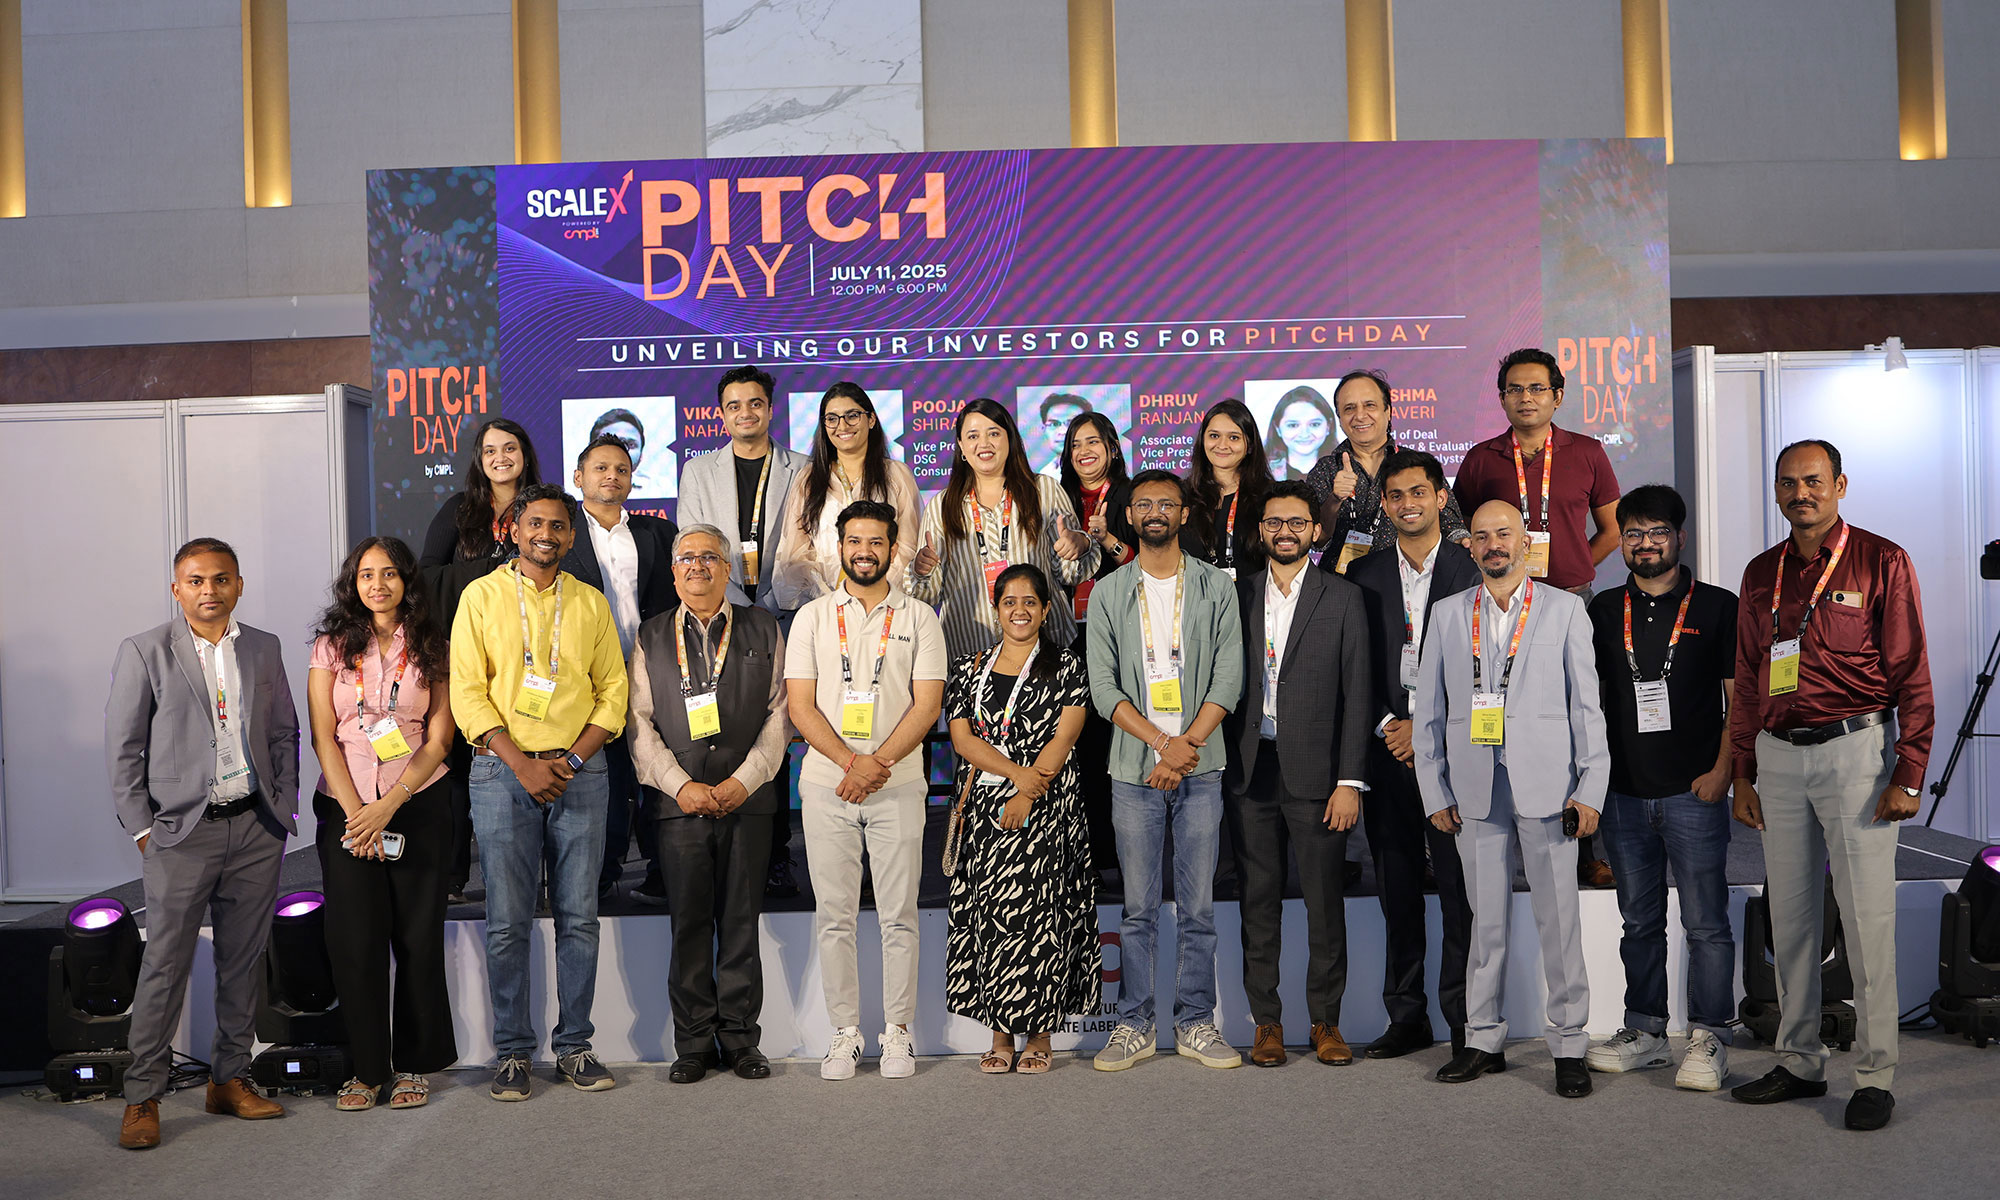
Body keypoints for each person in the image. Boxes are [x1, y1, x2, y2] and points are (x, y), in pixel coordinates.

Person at [1727, 440, 1932, 1132]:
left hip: (1858, 756)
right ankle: (1799, 1059)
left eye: (1813, 481)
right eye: (1788, 483)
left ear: (1840, 485)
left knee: (1868, 921)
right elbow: (1751, 680)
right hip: (1779, 758)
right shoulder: (1762, 573)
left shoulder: (1883, 560)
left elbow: (1912, 674)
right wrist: (1742, 771)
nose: (1800, 493)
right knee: (1791, 920)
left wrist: (1909, 770)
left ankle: (1875, 1074)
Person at [106, 538, 300, 1149]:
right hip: (179, 834)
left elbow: (285, 733)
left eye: (220, 579)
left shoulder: (264, 647)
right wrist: (143, 829)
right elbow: (122, 749)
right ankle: (142, 1097)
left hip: (254, 829)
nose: (208, 591)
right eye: (195, 581)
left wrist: (282, 804)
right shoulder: (144, 651)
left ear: (238, 585)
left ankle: (228, 1080)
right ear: (176, 589)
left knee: (243, 962)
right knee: (164, 964)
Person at [1414, 501, 1607, 1099]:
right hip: (1473, 789)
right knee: (1484, 920)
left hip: (1549, 788)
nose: (1494, 544)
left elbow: (1587, 709)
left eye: (1504, 534)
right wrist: (1433, 789)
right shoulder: (1447, 614)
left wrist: (1590, 788)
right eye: (1482, 536)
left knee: (1560, 921)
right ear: (1468, 546)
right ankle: (1482, 1039)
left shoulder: (1566, 609)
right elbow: (1428, 712)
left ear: (1526, 542)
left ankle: (1569, 1044)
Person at [450, 484, 629, 1101]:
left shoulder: (590, 602)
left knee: (579, 919)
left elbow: (614, 694)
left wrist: (574, 758)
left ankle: (575, 1046)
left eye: (558, 525)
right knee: (507, 922)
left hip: (580, 774)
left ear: (571, 536)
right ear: (514, 530)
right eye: (535, 525)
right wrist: (522, 763)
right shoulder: (481, 597)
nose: (547, 534)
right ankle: (512, 1053)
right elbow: (468, 692)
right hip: (503, 774)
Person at [1086, 470, 1245, 1071]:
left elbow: (1228, 677)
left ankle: (1197, 1020)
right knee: (1136, 909)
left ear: (1183, 515)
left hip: (1201, 766)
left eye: (1167, 504)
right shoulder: (1108, 592)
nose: (1155, 512)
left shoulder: (1215, 587)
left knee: (1199, 906)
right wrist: (1159, 742)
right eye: (1144, 504)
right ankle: (1134, 1025)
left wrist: (1185, 747)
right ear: (1129, 516)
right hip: (1133, 769)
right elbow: (1103, 687)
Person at [1581, 485, 1739, 1091]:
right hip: (1622, 794)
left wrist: (1723, 772)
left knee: (1706, 923)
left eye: (1657, 532)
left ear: (1680, 536)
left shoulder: (1718, 608)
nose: (1645, 544)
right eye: (1633, 534)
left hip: (1693, 791)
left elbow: (1737, 701)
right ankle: (1645, 1031)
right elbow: (1589, 702)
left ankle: (1710, 1036)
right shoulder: (1601, 611)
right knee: (1637, 921)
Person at [784, 500, 947, 1081]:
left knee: (900, 915)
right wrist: (851, 762)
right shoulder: (811, 618)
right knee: (835, 915)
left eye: (876, 542)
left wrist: (875, 763)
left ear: (892, 547)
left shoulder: (920, 618)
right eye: (854, 541)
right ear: (840, 545)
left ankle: (898, 1032)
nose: (864, 552)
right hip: (828, 783)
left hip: (897, 782)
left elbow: (927, 705)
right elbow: (800, 706)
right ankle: (845, 1032)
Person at [1451, 348, 1622, 889]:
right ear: (1502, 398)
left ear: (1558, 395)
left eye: (1537, 389)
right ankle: (1497, 835)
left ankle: (1585, 840)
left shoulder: (1589, 452)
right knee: (1508, 722)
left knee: (1578, 718)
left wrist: (1572, 576)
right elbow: (1462, 533)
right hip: (1501, 609)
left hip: (1573, 601)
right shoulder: (1481, 459)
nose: (1527, 398)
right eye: (1516, 390)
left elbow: (1612, 530)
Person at [627, 525, 790, 1084]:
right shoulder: (649, 636)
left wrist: (747, 780)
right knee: (690, 923)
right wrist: (680, 786)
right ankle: (694, 1041)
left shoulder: (763, 626)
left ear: (728, 568)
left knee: (741, 922)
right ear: (673, 573)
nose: (698, 566)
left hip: (748, 801)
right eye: (687, 558)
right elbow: (639, 723)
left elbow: (781, 713)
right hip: (681, 805)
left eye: (710, 557)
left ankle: (741, 1038)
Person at [305, 536, 459, 1112]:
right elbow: (323, 734)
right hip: (345, 808)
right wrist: (355, 815)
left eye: (389, 573)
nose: (378, 584)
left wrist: (388, 804)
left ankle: (415, 1064)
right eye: (367, 574)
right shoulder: (329, 646)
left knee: (418, 939)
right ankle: (368, 1070)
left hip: (415, 804)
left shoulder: (432, 644)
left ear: (407, 581)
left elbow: (441, 735)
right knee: (355, 941)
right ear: (353, 583)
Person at [1223, 480, 1372, 1067]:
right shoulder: (1235, 595)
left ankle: (1326, 1022)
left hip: (1320, 778)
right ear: (1261, 532)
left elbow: (1358, 695)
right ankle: (1266, 1023)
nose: (1285, 531)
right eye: (1274, 522)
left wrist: (1350, 780)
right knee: (1257, 903)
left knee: (1323, 904)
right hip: (1250, 770)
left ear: (1315, 531)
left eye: (1296, 523)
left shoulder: (1343, 597)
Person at [1345, 449, 1480, 1059]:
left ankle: (1465, 1017)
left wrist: (1428, 728)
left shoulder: (1473, 567)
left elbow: (1488, 666)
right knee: (1396, 884)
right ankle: (1407, 1015)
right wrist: (1388, 725)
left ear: (1440, 495)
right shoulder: (1363, 574)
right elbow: (1355, 667)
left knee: (1458, 888)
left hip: (1455, 755)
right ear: (1384, 503)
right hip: (1387, 753)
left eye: (1417, 493)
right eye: (1395, 495)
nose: (1406, 504)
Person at [944, 564, 1099, 1074]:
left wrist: (1031, 792)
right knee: (991, 921)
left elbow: (1067, 733)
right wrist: (1017, 778)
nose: (1020, 610)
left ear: (1046, 609)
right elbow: (964, 740)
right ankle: (1000, 1035)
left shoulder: (1067, 666)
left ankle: (1041, 1036)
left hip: (1049, 809)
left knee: (1042, 920)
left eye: (1030, 601)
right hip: (987, 813)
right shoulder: (970, 668)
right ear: (996, 609)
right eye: (1009, 601)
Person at [678, 365, 812, 899]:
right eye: (734, 406)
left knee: (776, 732)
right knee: (725, 730)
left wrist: (775, 601)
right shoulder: (698, 472)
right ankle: (721, 848)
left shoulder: (802, 468)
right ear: (721, 413)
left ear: (770, 409)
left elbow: (809, 543)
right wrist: (730, 601)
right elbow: (693, 539)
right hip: (721, 615)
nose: (745, 414)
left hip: (785, 611)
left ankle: (775, 853)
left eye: (754, 404)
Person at [417, 416, 543, 903]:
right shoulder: (460, 509)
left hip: (532, 661)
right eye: (490, 451)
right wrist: (491, 570)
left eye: (509, 448)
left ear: (525, 454)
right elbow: (427, 574)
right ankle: (451, 875)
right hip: (465, 655)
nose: (500, 458)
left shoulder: (546, 507)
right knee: (455, 767)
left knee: (522, 761)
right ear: (479, 460)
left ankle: (519, 881)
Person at [561, 432, 678, 902]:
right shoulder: (561, 535)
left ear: (632, 480)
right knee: (600, 778)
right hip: (586, 678)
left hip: (652, 673)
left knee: (656, 772)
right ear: (579, 477)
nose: (612, 476)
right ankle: (602, 874)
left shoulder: (658, 533)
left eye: (621, 470)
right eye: (601, 468)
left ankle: (660, 870)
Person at [908, 398, 1097, 659]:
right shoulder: (941, 506)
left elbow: (1070, 575)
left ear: (1010, 439)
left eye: (994, 433)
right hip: (970, 654)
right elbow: (927, 595)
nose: (984, 444)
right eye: (973, 436)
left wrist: (1079, 546)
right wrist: (921, 571)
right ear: (961, 446)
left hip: (1044, 650)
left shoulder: (1044, 491)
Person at [1060, 410, 1136, 877]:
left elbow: (1144, 562)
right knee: (1076, 744)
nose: (1084, 452)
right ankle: (1080, 851)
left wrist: (1105, 540)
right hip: (1069, 636)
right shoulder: (1057, 499)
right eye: (1075, 445)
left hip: (1118, 635)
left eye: (1093, 442)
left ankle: (1116, 853)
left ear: (1111, 447)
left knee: (1114, 741)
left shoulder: (1130, 496)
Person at [770, 382, 922, 611]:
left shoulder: (896, 475)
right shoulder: (809, 479)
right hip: (824, 606)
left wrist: (875, 593)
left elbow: (908, 548)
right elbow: (795, 553)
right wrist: (830, 598)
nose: (842, 425)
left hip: (886, 605)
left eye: (852, 416)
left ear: (871, 420)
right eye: (832, 418)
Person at [1307, 370, 1470, 573]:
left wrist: (1463, 540)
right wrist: (1334, 499)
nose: (1359, 415)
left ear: (1388, 411)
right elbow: (1317, 541)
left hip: (1410, 579)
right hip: (1342, 584)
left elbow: (1451, 524)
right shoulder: (1326, 469)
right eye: (1349, 408)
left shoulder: (1417, 464)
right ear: (1339, 418)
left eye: (1369, 405)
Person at [1183, 399, 1272, 579]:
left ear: (1250, 446)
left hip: (1251, 601)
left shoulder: (1269, 495)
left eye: (1234, 437)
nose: (1222, 445)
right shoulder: (1182, 494)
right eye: (1214, 436)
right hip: (1195, 601)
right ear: (1202, 441)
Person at [590, 406, 671, 498]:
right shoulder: (573, 490)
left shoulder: (661, 488)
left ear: (641, 456)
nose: (622, 452)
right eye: (611, 443)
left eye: (631, 445)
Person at [1264, 384, 1337, 482]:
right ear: (1277, 428)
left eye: (1314, 424)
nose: (1304, 434)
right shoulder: (1261, 472)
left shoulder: (1344, 469)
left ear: (1329, 426)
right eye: (1293, 425)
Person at [1034, 391, 1094, 477]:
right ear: (1044, 430)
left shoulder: (1100, 472)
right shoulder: (1044, 475)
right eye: (1054, 424)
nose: (1063, 431)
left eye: (1071, 423)